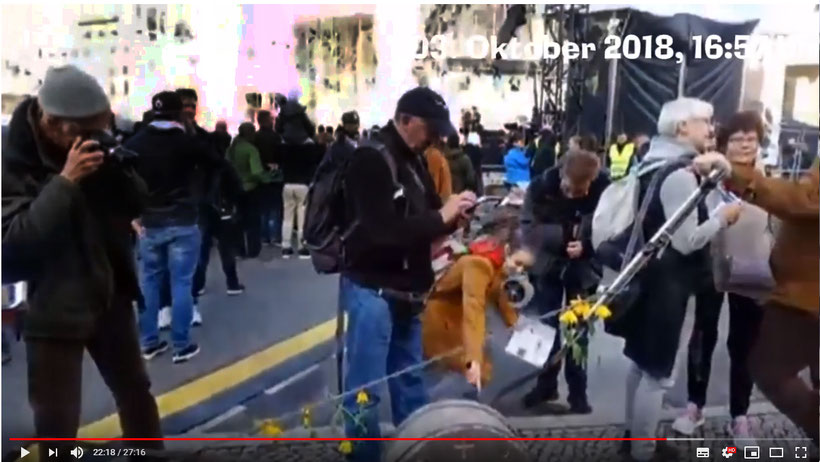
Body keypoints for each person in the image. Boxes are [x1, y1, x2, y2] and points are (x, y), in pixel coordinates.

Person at [2, 65, 163, 456]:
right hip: (51, 306)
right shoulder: (12, 159)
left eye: (100, 127)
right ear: (52, 123)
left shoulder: (92, 144)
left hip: (109, 292)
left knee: (136, 393)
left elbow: (138, 203)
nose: (94, 136)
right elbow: (12, 249)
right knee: (56, 422)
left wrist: (116, 171)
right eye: (85, 130)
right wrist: (65, 182)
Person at [339, 87, 477, 461]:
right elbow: (380, 230)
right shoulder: (371, 159)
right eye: (428, 128)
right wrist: (440, 217)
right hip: (374, 291)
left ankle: (418, 453)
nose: (434, 137)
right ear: (404, 121)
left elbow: (428, 215)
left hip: (408, 292)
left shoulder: (415, 159)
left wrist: (451, 217)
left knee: (411, 383)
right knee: (365, 390)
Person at [618, 98, 741, 461]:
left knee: (640, 364)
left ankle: (632, 438)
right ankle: (643, 451)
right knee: (657, 374)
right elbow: (687, 241)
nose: (711, 128)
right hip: (669, 286)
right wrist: (723, 216)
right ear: (681, 127)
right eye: (705, 121)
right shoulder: (680, 175)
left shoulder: (652, 161)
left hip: (649, 278)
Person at [693, 130, 819, 446]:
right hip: (796, 288)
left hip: (805, 294)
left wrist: (738, 175)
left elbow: (806, 200)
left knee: (769, 369)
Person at [672, 111, 770, 445]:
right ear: (724, 144)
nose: (745, 144)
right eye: (738, 139)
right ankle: (694, 407)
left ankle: (739, 417)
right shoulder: (706, 174)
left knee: (745, 345)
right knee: (702, 335)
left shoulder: (767, 179)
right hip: (709, 266)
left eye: (751, 138)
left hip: (752, 270)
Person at [127, 91, 222, 364]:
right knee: (182, 283)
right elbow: (217, 162)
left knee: (149, 284)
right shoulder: (187, 143)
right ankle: (181, 345)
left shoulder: (137, 142)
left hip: (149, 222)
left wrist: (132, 214)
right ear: (179, 112)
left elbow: (119, 177)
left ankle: (149, 342)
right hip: (182, 219)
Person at [520, 149, 610, 414]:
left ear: (593, 180)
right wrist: (563, 237)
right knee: (543, 327)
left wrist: (586, 244)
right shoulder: (540, 187)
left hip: (582, 269)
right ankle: (545, 384)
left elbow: (612, 225)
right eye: (570, 189)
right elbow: (528, 228)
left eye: (581, 191)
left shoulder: (605, 190)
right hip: (547, 266)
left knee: (578, 331)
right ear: (562, 175)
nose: (574, 195)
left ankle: (577, 392)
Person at [422, 206, 532, 397]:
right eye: (519, 263)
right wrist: (473, 360)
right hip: (441, 322)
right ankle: (444, 410)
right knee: (468, 370)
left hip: (453, 318)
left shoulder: (495, 261)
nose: (520, 271)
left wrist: (520, 328)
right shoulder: (479, 265)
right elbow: (474, 309)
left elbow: (500, 296)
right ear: (506, 250)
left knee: (478, 367)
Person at [228, 122, 271, 259]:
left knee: (237, 221)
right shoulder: (251, 149)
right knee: (253, 221)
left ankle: (238, 250)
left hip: (234, 189)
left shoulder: (231, 149)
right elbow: (256, 171)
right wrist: (267, 178)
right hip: (250, 189)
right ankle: (253, 250)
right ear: (250, 133)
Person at [254, 110, 284, 247]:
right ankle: (275, 236)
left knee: (262, 208)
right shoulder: (276, 137)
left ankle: (263, 237)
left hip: (260, 176)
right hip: (276, 176)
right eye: (271, 119)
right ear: (266, 120)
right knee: (275, 207)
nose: (273, 121)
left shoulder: (255, 138)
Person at [424, 137, 453, 201]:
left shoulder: (435, 155)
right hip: (441, 201)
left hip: (444, 200)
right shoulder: (433, 155)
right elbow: (434, 183)